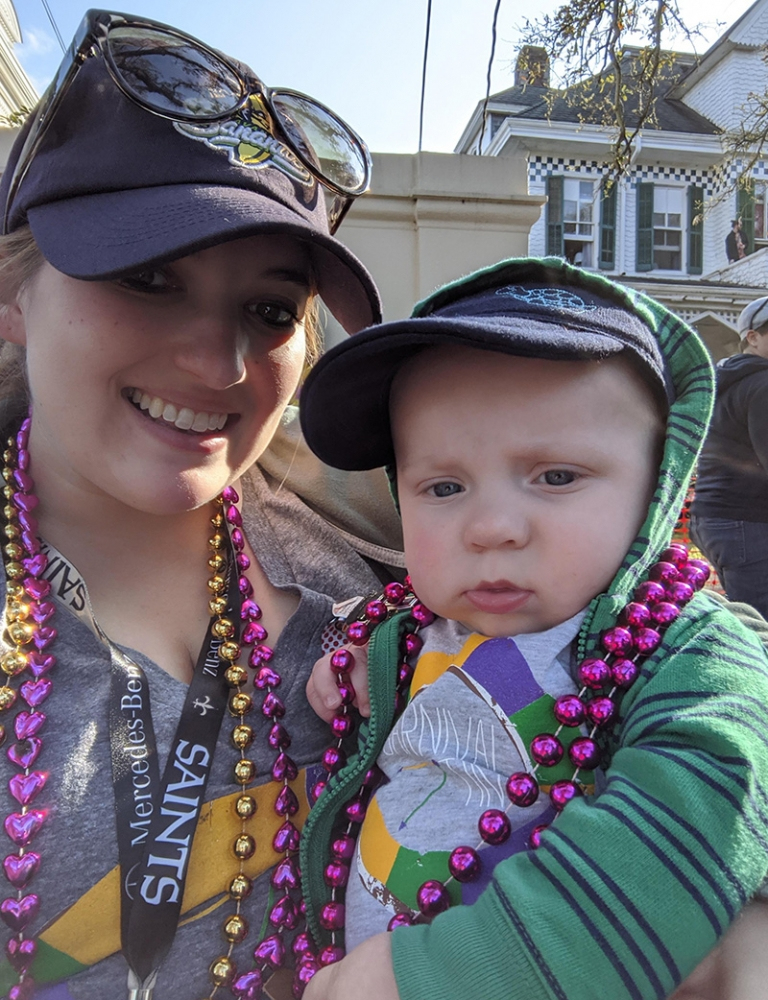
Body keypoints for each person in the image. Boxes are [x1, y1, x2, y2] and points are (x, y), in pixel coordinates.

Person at [0, 10, 404, 1000]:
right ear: (13, 296)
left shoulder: (388, 574)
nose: (220, 364)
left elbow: (667, 650)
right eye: (147, 277)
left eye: (270, 311)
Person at [297, 258, 768, 1000]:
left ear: (655, 489)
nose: (491, 528)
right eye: (443, 487)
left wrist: (435, 978)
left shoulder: (694, 652)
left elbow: (705, 808)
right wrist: (367, 661)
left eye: (555, 477)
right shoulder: (425, 625)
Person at [690, 295, 768, 619]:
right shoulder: (763, 384)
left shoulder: (725, 379)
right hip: (745, 522)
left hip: (714, 518)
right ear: (752, 337)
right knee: (760, 627)